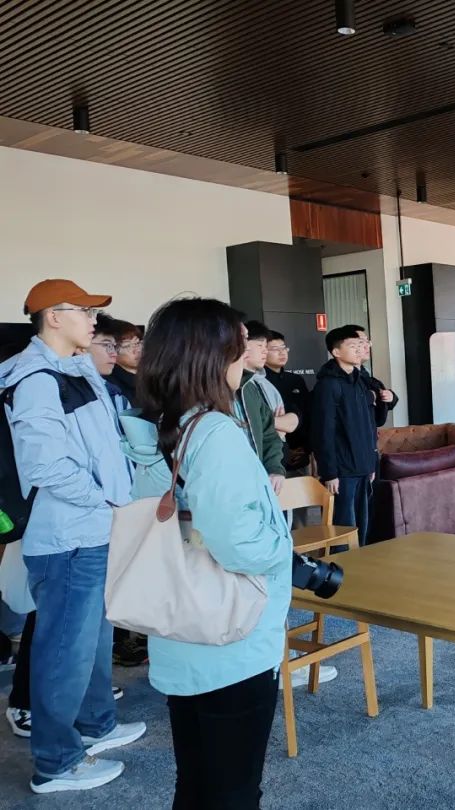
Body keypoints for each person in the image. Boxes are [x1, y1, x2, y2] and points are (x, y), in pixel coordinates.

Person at [118, 297, 292, 808]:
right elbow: (238, 543)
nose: (247, 355)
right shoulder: (215, 432)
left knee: (196, 781)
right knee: (234, 789)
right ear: (213, 357)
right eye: (241, 345)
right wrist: (282, 546)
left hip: (183, 626)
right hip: (232, 637)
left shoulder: (158, 425)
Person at [0, 279, 145, 794]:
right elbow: (44, 466)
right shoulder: (36, 378)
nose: (93, 320)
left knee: (93, 641)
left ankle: (96, 724)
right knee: (65, 649)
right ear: (53, 317)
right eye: (83, 311)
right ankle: (56, 763)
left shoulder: (72, 371)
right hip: (67, 537)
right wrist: (102, 498)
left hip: (92, 530)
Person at [311, 325, 395, 547]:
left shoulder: (360, 381)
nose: (359, 349)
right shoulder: (328, 385)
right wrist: (329, 472)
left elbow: (370, 424)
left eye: (361, 345)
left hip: (364, 466)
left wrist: (370, 465)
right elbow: (323, 432)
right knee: (343, 526)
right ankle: (341, 563)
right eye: (353, 346)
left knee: (362, 524)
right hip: (342, 470)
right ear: (336, 352)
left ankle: (360, 560)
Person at [236, 323, 286, 495]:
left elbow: (269, 433)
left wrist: (274, 468)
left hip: (260, 482)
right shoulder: (203, 392)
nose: (264, 351)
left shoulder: (250, 388)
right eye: (260, 345)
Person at [264, 330, 311, 473]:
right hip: (272, 456)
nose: (282, 352)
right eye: (275, 349)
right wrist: (285, 450)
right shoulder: (259, 382)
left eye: (283, 348)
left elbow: (307, 414)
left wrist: (308, 448)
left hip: (301, 454)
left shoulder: (295, 380)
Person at [110, 318, 142, 405]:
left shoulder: (152, 373)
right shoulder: (112, 385)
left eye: (137, 343)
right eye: (127, 346)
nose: (137, 350)